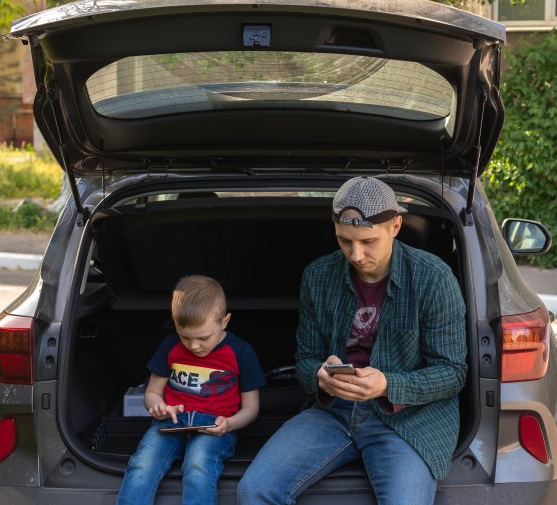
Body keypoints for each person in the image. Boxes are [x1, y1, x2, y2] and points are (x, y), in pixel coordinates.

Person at [237, 177, 467, 505]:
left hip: (407, 419)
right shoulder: (318, 276)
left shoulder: (433, 278)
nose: (356, 254)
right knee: (254, 489)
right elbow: (305, 359)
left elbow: (453, 373)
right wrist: (318, 374)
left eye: (368, 241)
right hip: (333, 412)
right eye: (345, 241)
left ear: (396, 226)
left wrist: (388, 384)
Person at [117, 275, 266, 505]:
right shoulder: (170, 346)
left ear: (225, 321)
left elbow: (251, 408)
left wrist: (229, 424)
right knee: (142, 465)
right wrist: (157, 407)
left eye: (204, 338)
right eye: (185, 336)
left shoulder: (241, 353)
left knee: (198, 465)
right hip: (171, 422)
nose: (194, 346)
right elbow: (152, 393)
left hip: (213, 427)